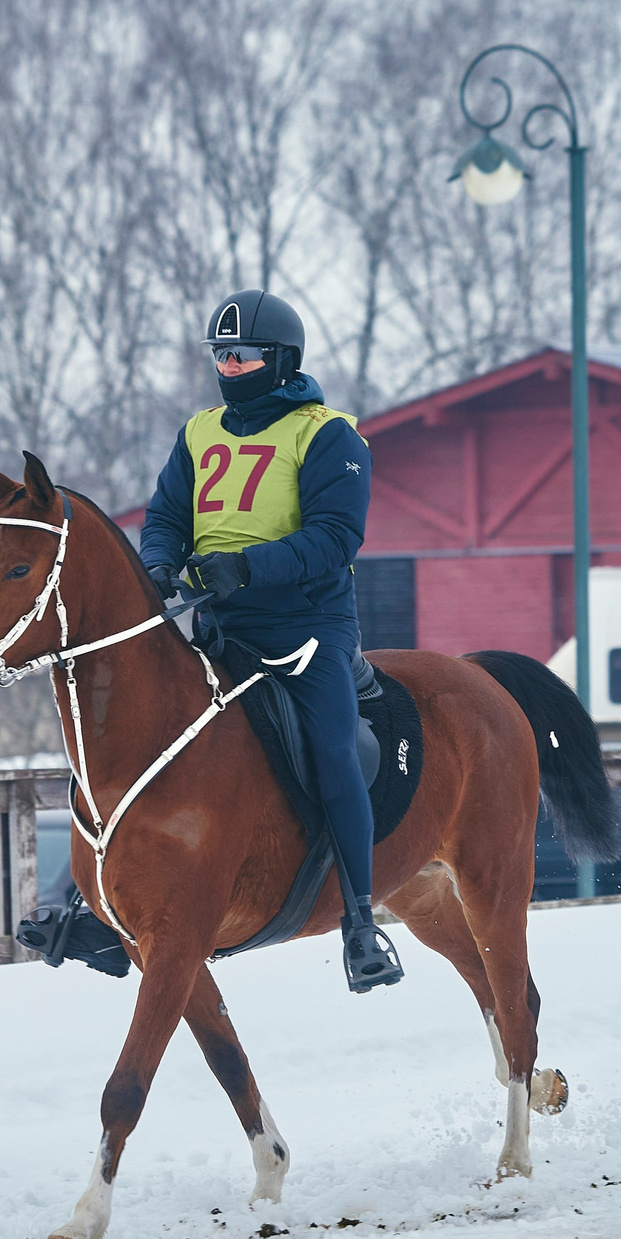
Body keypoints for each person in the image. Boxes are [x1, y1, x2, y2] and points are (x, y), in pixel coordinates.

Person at [139, 288, 405, 993]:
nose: (228, 366)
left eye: (242, 354)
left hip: (304, 627)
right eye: (219, 355)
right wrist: (160, 561)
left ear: (280, 360)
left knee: (331, 749)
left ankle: (358, 920)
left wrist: (249, 566)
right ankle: (99, 904)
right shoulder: (198, 433)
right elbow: (165, 512)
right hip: (218, 623)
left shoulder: (328, 434)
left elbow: (334, 538)